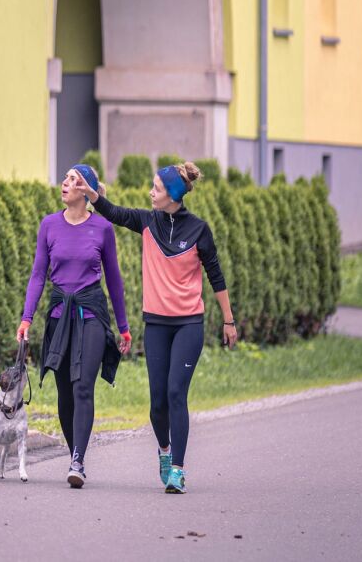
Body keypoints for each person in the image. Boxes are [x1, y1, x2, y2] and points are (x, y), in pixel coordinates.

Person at [71, 161, 238, 495]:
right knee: (157, 404)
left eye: (156, 189)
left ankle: (178, 469)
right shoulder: (147, 221)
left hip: (189, 323)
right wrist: (92, 194)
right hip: (157, 325)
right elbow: (113, 212)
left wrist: (228, 319)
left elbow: (215, 275)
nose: (150, 192)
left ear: (172, 195)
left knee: (177, 393)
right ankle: (164, 450)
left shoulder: (199, 230)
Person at [17, 164, 131, 489]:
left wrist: (123, 327)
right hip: (59, 315)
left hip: (91, 312)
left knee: (83, 386)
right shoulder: (49, 225)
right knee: (65, 392)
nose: (64, 183)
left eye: (73, 180)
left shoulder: (103, 228)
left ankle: (78, 460)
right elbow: (38, 275)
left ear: (86, 191)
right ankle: (74, 454)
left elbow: (114, 279)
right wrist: (26, 318)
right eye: (65, 178)